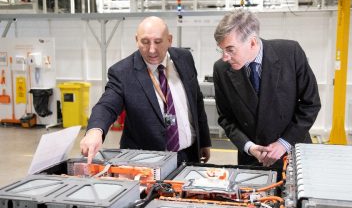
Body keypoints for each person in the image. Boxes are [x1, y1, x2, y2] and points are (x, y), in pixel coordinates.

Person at [80, 16, 211, 165]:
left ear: (169, 39)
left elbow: (197, 100)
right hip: (146, 161)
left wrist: (204, 141)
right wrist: (95, 131)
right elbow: (106, 105)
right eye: (145, 42)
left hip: (189, 154)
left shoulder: (184, 58)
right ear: (137, 39)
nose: (152, 49)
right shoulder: (123, 72)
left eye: (158, 41)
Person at [213, 9, 321, 167]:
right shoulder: (221, 69)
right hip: (253, 157)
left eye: (230, 49)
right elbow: (226, 118)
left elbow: (310, 104)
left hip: (292, 150)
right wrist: (249, 147)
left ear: (252, 42)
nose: (224, 57)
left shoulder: (290, 53)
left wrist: (283, 143)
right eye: (221, 49)